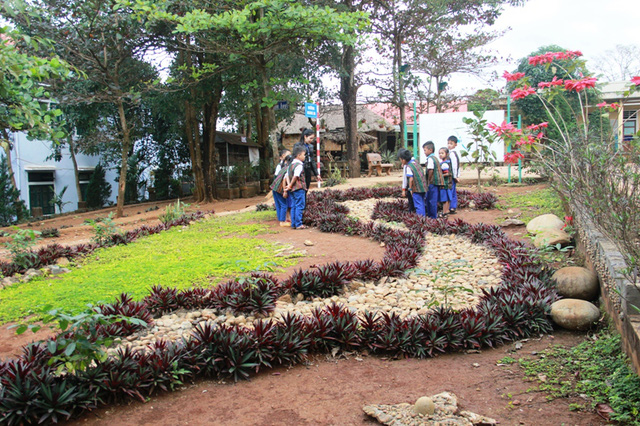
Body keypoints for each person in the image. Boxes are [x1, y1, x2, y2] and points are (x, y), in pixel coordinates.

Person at [293, 129, 322, 201]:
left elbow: (312, 160)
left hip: (308, 169)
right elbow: (295, 157)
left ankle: (304, 206)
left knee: (306, 188)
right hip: (300, 169)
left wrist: (316, 174)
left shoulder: (311, 147)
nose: (311, 140)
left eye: (313, 138)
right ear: (305, 136)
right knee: (300, 189)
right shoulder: (298, 145)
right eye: (310, 138)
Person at [399, 149, 428, 216]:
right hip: (423, 187)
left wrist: (410, 189)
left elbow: (411, 178)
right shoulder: (416, 163)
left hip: (416, 188)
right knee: (422, 203)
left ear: (403, 160)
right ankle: (424, 218)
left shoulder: (409, 167)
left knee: (418, 204)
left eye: (400, 160)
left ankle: (421, 219)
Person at [284, 146, 307, 229]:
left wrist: (289, 185)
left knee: (293, 205)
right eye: (304, 155)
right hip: (299, 188)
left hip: (292, 190)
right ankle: (298, 224)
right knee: (300, 206)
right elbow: (296, 176)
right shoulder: (299, 165)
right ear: (299, 155)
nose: (305, 157)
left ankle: (293, 224)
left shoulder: (290, 165)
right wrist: (290, 185)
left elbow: (286, 176)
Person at [422, 141, 445, 219]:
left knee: (431, 200)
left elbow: (430, 170)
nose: (424, 152)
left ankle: (432, 216)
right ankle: (431, 215)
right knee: (431, 200)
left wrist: (428, 181)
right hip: (435, 183)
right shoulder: (435, 158)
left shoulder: (431, 159)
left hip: (432, 183)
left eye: (425, 150)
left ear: (430, 150)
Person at [271, 149, 291, 227]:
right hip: (279, 189)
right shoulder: (286, 168)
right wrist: (285, 191)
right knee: (283, 204)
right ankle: (282, 221)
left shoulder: (284, 167)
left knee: (280, 204)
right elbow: (284, 179)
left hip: (275, 188)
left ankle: (280, 219)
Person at [398, 149, 417, 214]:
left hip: (412, 186)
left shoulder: (407, 166)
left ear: (403, 159)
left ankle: (412, 214)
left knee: (412, 201)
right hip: (419, 186)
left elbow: (406, 178)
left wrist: (405, 189)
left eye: (400, 160)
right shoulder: (415, 162)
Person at [447, 136, 461, 214]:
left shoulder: (452, 154)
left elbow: (455, 166)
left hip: (452, 176)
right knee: (453, 191)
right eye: (448, 143)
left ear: (455, 144)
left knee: (451, 191)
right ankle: (452, 206)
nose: (449, 145)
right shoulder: (452, 153)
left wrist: (455, 176)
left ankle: (452, 206)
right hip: (453, 175)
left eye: (451, 143)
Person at [438, 147, 452, 217]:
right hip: (447, 184)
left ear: (446, 154)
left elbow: (446, 173)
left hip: (444, 184)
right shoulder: (446, 163)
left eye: (442, 153)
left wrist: (440, 175)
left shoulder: (444, 164)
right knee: (447, 198)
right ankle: (447, 211)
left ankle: (444, 212)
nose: (440, 155)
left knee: (445, 199)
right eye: (439, 153)